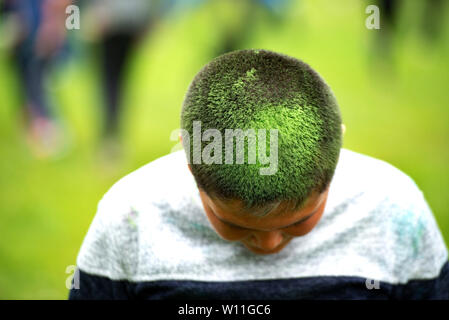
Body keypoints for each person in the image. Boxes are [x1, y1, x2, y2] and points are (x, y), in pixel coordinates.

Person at [69, 49, 448, 299]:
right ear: (190, 164)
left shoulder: (394, 211)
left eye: (300, 220)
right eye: (233, 224)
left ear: (338, 157)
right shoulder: (130, 218)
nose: (268, 245)